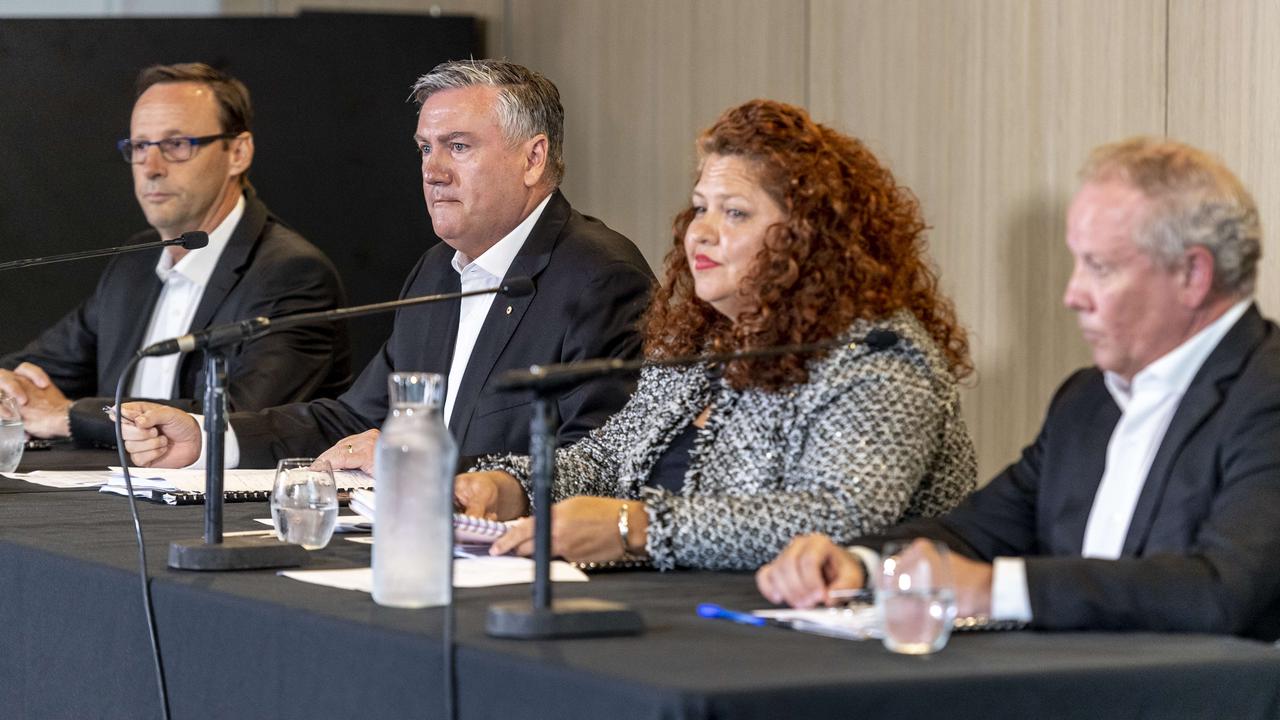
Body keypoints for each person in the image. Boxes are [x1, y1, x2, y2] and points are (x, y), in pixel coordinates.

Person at [757, 137, 1280, 640]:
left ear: (1193, 274)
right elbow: (980, 532)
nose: (1072, 294)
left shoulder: (1266, 393)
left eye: (1099, 267)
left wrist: (998, 589)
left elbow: (1223, 590)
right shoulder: (1088, 400)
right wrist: (861, 563)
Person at [456, 99, 976, 571]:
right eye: (701, 207)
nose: (700, 232)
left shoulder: (880, 356)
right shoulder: (706, 343)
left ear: (812, 239)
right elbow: (606, 460)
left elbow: (841, 516)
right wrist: (512, 488)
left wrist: (636, 528)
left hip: (820, 642)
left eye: (735, 213)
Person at [120, 59, 653, 469]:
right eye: (424, 149)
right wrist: (209, 436)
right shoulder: (438, 269)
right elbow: (356, 417)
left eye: (458, 147)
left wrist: (417, 468)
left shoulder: (599, 277)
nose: (433, 171)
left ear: (533, 159)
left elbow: (595, 465)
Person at [0, 63, 351, 447]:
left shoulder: (292, 273)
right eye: (139, 146)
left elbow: (237, 422)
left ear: (238, 152)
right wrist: (10, 386)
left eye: (176, 144)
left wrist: (68, 417)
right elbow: (40, 368)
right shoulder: (134, 262)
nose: (151, 168)